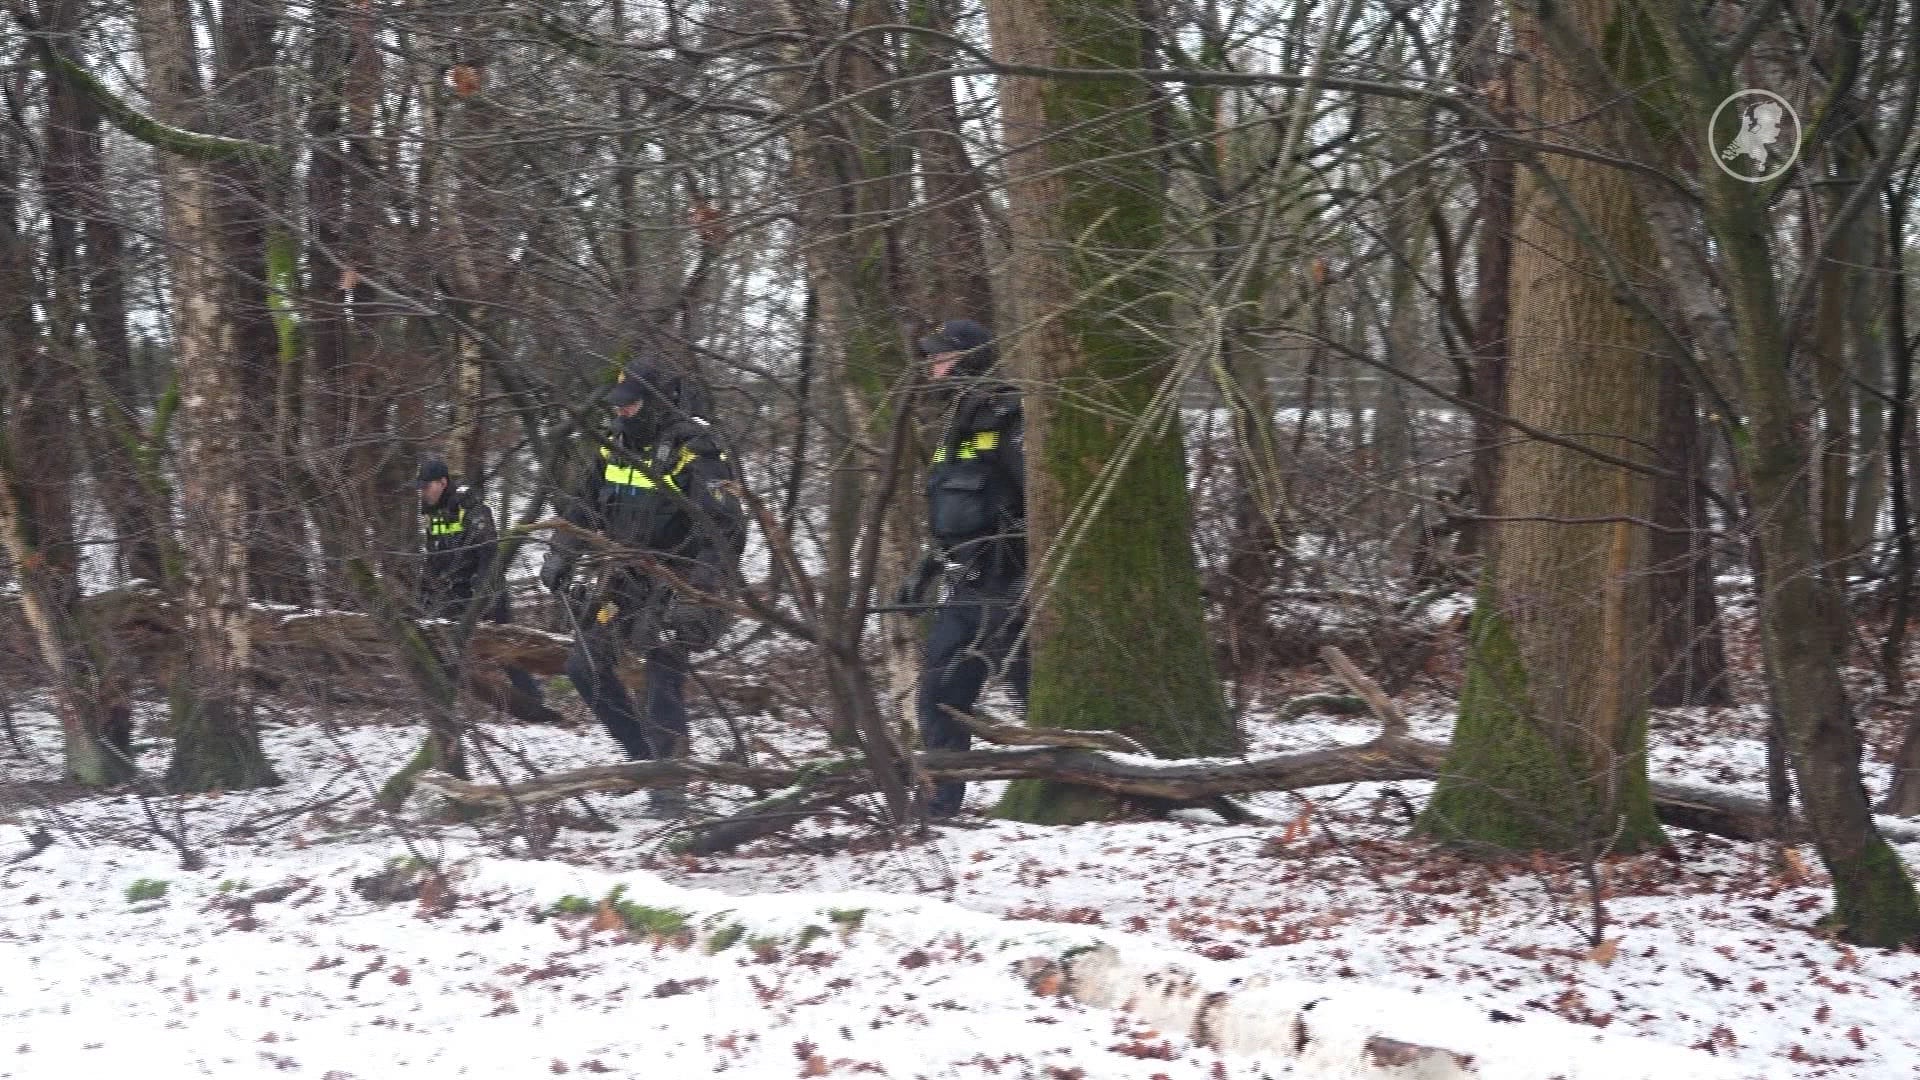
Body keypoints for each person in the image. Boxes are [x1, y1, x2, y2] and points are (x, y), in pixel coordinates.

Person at [539, 362, 744, 817]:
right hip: (626, 576)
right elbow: (582, 506)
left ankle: (669, 788)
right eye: (620, 403)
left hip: (685, 578)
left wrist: (697, 594)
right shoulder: (615, 446)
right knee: (584, 665)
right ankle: (643, 757)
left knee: (661, 674)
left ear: (655, 401)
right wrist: (561, 554)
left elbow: (726, 531)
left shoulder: (696, 449)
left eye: (632, 402)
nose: (624, 411)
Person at [896, 319, 1031, 818]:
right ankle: (938, 802)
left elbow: (1043, 502)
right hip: (965, 582)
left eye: (942, 358)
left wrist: (1029, 578)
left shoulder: (1012, 416)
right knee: (940, 693)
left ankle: (1069, 785)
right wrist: (924, 570)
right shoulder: (953, 426)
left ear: (970, 360)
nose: (932, 368)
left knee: (1032, 692)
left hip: (1014, 582)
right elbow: (950, 516)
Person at [417, 457, 543, 704]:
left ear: (443, 483)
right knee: (441, 646)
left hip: (485, 590)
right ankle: (444, 701)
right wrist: (424, 593)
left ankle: (534, 701)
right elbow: (433, 559)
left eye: (426, 486)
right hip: (453, 593)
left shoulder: (472, 508)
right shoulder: (433, 514)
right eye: (420, 487)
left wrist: (483, 598)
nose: (422, 492)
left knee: (505, 654)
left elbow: (488, 557)